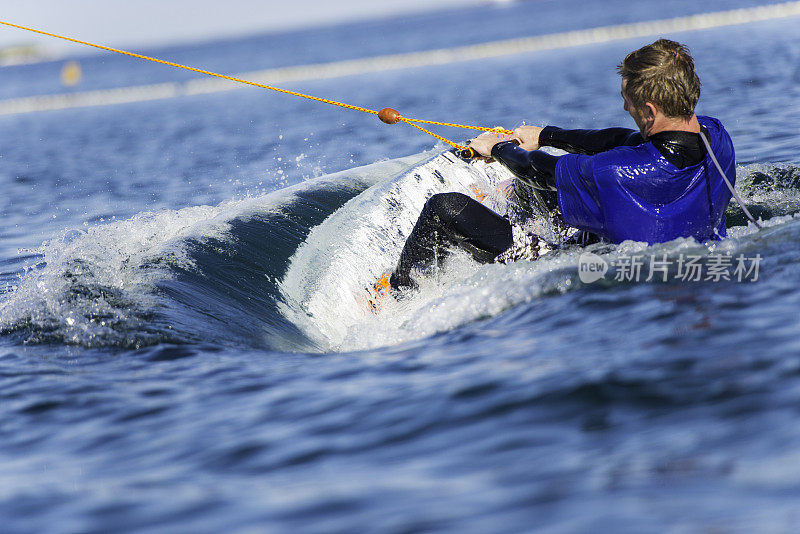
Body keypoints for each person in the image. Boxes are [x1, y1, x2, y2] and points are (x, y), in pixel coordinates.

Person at [380, 38, 735, 297]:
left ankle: (395, 295)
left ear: (650, 111)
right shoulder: (715, 135)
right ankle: (507, 218)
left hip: (585, 264)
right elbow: (621, 139)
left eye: (627, 102)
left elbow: (539, 171)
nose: (624, 108)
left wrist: (497, 148)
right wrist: (547, 134)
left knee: (444, 208)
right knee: (531, 190)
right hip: (670, 240)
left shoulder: (611, 172)